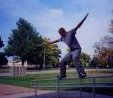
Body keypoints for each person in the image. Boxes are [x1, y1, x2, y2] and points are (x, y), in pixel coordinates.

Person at [48, 13, 89, 80]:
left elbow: (78, 26)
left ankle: (82, 73)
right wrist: (50, 43)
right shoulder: (62, 37)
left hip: (77, 49)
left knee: (75, 57)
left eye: (61, 34)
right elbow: (56, 40)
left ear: (64, 32)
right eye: (60, 34)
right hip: (71, 51)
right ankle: (63, 75)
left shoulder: (71, 32)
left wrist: (84, 19)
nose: (61, 35)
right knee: (63, 61)